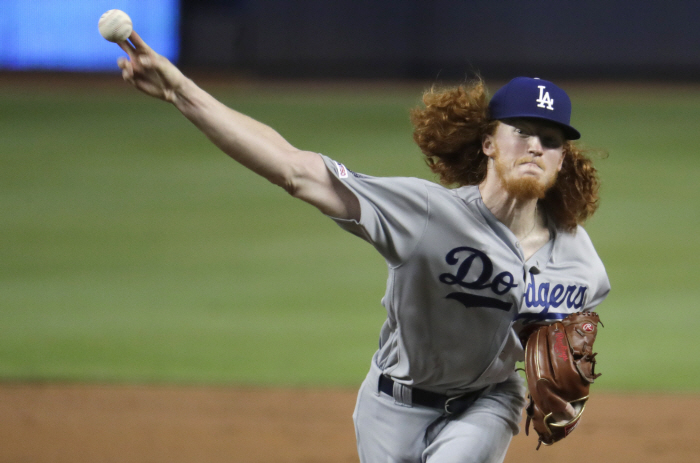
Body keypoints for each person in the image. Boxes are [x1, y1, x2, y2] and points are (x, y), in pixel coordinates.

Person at [115, 32, 610, 463]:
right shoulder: (427, 215)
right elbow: (293, 169)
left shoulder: (580, 261)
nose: (535, 146)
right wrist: (182, 93)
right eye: (521, 131)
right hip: (390, 405)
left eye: (551, 139)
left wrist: (565, 392)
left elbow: (564, 350)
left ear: (562, 159)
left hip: (488, 403)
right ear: (488, 144)